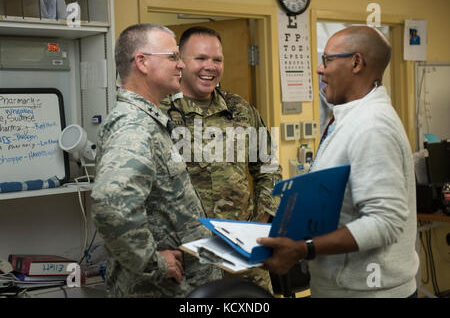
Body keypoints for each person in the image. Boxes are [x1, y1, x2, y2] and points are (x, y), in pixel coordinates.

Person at [258, 26, 419, 298]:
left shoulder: (372, 126)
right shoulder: (348, 119)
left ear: (356, 62)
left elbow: (385, 222)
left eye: (327, 60)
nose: (320, 70)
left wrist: (304, 248)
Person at [91, 24, 222, 297]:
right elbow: (111, 206)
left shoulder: (146, 120)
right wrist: (155, 262)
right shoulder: (133, 125)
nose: (181, 66)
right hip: (160, 289)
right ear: (142, 62)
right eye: (173, 57)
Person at [159, 26, 282, 293]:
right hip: (186, 258)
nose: (210, 67)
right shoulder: (161, 113)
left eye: (217, 60)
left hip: (242, 254)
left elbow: (269, 166)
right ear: (181, 61)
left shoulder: (241, 109)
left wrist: (263, 219)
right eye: (201, 58)